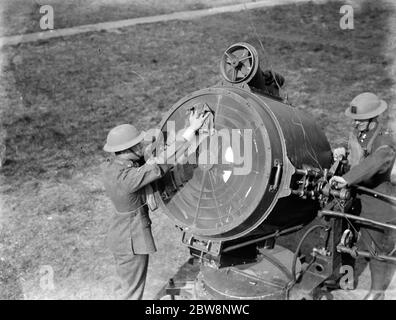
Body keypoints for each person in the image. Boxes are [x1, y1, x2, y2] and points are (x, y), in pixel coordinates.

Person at [101, 110, 209, 299]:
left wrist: (188, 130)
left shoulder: (112, 166)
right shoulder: (129, 178)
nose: (141, 146)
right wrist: (192, 129)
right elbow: (161, 164)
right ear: (128, 150)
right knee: (132, 292)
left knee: (126, 284)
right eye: (137, 144)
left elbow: (152, 153)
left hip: (120, 236)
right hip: (130, 239)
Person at [330, 92, 396, 300]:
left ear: (373, 118)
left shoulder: (385, 140)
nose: (356, 123)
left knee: (373, 251)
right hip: (352, 200)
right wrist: (340, 149)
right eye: (355, 119)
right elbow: (353, 145)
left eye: (360, 120)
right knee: (345, 242)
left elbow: (374, 162)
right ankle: (345, 282)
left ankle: (377, 292)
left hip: (376, 204)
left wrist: (347, 178)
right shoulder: (360, 133)